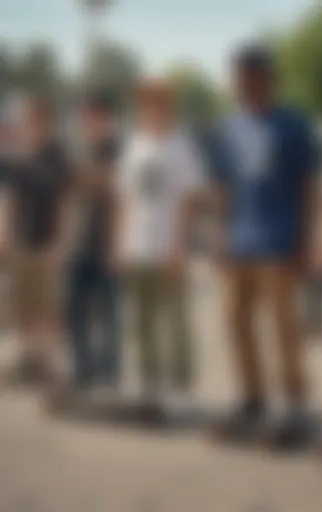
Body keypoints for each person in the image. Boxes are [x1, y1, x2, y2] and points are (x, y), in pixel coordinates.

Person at [210, 44, 319, 447]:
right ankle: (252, 397)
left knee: (284, 327)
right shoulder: (231, 127)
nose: (239, 85)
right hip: (240, 240)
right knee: (234, 321)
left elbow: (309, 186)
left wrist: (307, 241)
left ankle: (295, 403)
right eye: (235, 78)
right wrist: (220, 237)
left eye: (246, 78)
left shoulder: (292, 124)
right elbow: (224, 187)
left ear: (265, 78)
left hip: (280, 239)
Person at [114, 79, 206, 406]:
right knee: (141, 323)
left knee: (175, 322)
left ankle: (181, 390)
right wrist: (121, 243)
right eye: (144, 103)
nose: (149, 109)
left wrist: (180, 246)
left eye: (156, 102)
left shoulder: (181, 145)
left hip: (168, 248)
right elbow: (125, 197)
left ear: (168, 105)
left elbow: (190, 201)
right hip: (137, 246)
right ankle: (149, 385)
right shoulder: (135, 144)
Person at [1, 98, 72, 385]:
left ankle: (46, 364)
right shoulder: (21, 159)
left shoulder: (58, 158)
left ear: (48, 124)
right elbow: (12, 201)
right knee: (23, 305)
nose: (34, 127)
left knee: (47, 309)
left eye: (39, 121)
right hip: (21, 243)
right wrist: (5, 237)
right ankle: (27, 361)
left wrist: (60, 244)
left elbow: (65, 204)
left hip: (46, 245)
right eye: (30, 122)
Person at [66, 92, 121, 390]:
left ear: (106, 117)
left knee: (108, 314)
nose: (89, 122)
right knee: (74, 309)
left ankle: (109, 375)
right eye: (85, 116)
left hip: (107, 245)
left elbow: (117, 190)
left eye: (94, 116)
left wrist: (117, 246)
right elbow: (72, 196)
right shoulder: (82, 151)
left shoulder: (118, 148)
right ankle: (82, 370)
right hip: (79, 243)